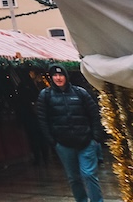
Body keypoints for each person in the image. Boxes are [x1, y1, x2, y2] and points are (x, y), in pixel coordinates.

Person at [36, 64, 105, 202]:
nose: (58, 78)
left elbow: (94, 114)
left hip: (86, 142)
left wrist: (95, 138)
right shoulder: (46, 95)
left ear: (66, 76)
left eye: (61, 75)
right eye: (55, 75)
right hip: (64, 145)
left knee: (89, 174)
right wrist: (53, 141)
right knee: (73, 178)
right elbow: (42, 120)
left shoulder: (80, 93)